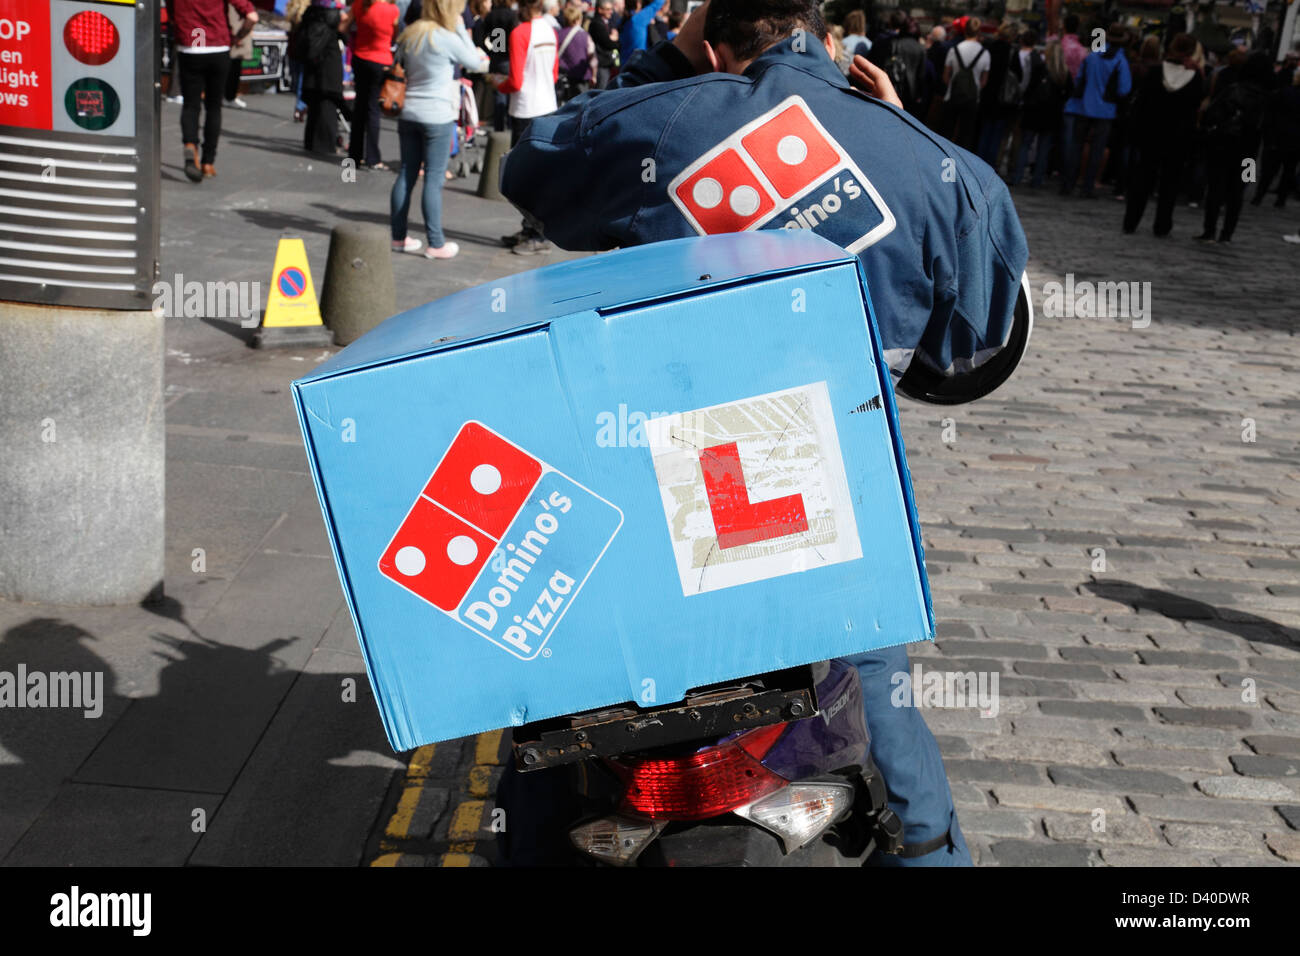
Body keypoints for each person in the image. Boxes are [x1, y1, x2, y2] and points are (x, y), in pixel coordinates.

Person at [500, 0, 1030, 865]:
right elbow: (976, 329)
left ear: (712, 46)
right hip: (829, 519)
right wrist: (896, 130)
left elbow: (537, 166)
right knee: (884, 704)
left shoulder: (666, 118)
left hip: (656, 501)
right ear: (833, 43)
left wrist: (668, 70)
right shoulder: (938, 165)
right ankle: (930, 852)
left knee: (561, 714)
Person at [390, 0, 489, 259]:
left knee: (406, 175)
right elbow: (475, 61)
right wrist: (459, 30)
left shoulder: (410, 34)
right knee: (433, 180)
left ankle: (398, 237)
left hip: (409, 111)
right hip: (438, 115)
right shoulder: (445, 37)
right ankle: (435, 243)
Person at [1122, 33, 1204, 237]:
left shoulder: (1155, 72)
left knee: (1142, 180)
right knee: (1170, 183)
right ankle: (1162, 224)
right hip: (1178, 137)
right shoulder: (1194, 79)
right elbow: (1195, 109)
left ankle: (1131, 221)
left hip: (1152, 133)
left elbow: (1141, 105)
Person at [168, 0, 259, 182]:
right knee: (213, 107)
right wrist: (238, 36)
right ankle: (208, 162)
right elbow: (252, 17)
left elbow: (171, 14)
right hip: (217, 46)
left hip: (191, 45)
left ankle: (190, 144)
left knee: (191, 105)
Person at [498, 0, 559, 254]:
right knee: (536, 175)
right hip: (548, 104)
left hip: (525, 108)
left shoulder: (520, 32)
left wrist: (496, 85)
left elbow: (516, 80)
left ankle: (537, 234)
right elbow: (554, 74)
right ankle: (530, 229)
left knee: (523, 177)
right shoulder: (549, 30)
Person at [1196, 53, 1271, 243]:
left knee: (1216, 187)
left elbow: (1212, 114)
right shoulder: (1269, 98)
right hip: (1250, 152)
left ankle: (1209, 230)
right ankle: (1228, 233)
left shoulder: (1233, 89)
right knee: (1239, 192)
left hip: (1223, 145)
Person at [1060, 23, 1131, 198]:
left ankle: (1068, 183)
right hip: (1106, 110)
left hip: (1083, 106)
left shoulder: (1092, 56)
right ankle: (1088, 186)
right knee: (1097, 151)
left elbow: (1080, 79)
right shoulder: (1121, 61)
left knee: (1076, 146)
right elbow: (1124, 89)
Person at [347, 0, 401, 170]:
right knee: (373, 109)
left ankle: (354, 155)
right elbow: (396, 36)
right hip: (380, 61)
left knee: (360, 107)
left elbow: (344, 26)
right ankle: (372, 157)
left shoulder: (360, 5)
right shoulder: (392, 10)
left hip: (360, 57)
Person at [1010, 35, 1066, 188]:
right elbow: (1068, 93)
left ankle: (1018, 176)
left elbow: (1027, 87)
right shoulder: (1063, 73)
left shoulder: (1039, 67)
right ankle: (1037, 179)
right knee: (1043, 148)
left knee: (1025, 144)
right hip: (1051, 114)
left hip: (1034, 110)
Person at [300, 0, 353, 156]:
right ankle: (324, 146)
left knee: (316, 108)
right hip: (328, 69)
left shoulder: (312, 14)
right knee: (327, 108)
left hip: (314, 68)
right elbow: (345, 28)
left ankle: (312, 143)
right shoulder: (333, 18)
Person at [974, 19, 1018, 171]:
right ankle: (989, 167)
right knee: (996, 136)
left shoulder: (989, 47)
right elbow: (1017, 76)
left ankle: (977, 164)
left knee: (984, 132)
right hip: (1003, 98)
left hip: (987, 95)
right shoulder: (1012, 52)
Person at [1254, 68, 1300, 208]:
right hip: (1296, 140)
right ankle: (1281, 198)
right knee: (1289, 170)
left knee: (1269, 170)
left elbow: (1271, 114)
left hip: (1278, 136)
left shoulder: (1284, 92)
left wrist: (1268, 134)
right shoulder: (1285, 93)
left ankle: (1259, 196)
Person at [941, 16, 988, 151]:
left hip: (952, 96)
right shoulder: (985, 53)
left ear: (964, 31)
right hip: (972, 99)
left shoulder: (954, 50)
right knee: (965, 135)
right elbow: (984, 81)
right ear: (979, 32)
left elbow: (945, 76)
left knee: (946, 132)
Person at [556, 5, 596, 103]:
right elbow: (593, 59)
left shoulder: (558, 34)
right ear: (578, 19)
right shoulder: (584, 36)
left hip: (563, 77)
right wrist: (594, 75)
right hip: (581, 77)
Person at [225, 2, 255, 110]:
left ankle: (229, 96)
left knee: (234, 66)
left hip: (235, 33)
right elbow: (252, 17)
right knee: (232, 67)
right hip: (235, 33)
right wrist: (238, 36)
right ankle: (228, 96)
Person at [590, 0, 620, 88]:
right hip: (602, 64)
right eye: (608, 9)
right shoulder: (597, 24)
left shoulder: (607, 22)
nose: (611, 12)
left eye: (611, 9)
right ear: (600, 10)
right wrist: (616, 40)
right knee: (601, 90)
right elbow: (607, 43)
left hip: (609, 63)